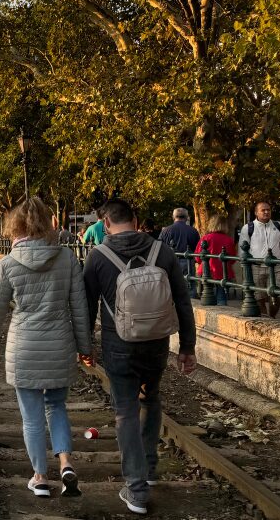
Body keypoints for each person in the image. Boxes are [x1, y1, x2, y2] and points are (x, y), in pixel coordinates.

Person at [83, 199, 196, 515]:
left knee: (126, 412)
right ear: (135, 219)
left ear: (105, 224)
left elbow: (86, 309)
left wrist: (84, 346)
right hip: (156, 344)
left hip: (118, 345)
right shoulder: (163, 252)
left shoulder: (97, 258)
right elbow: (183, 302)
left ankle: (136, 490)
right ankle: (149, 471)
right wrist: (187, 347)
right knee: (151, 400)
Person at [0, 197, 92, 499]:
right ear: (48, 223)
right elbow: (79, 308)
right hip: (59, 346)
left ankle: (40, 477)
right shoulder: (67, 259)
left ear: (14, 226)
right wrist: (85, 347)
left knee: (31, 417)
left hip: (24, 348)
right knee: (56, 406)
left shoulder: (7, 264)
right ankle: (66, 462)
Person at [239, 201, 280, 318]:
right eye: (263, 210)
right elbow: (242, 250)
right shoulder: (248, 228)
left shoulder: (278, 226)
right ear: (256, 212)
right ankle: (265, 318)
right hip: (255, 267)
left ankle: (272, 317)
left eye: (268, 209)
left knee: (277, 296)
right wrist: (245, 269)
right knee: (259, 297)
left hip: (275, 267)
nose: (266, 212)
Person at [194, 217, 236, 306]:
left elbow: (197, 257)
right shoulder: (228, 239)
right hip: (223, 271)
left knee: (207, 296)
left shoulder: (206, 238)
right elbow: (232, 259)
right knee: (222, 297)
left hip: (207, 271)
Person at [159, 208, 201, 298]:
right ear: (186, 218)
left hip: (170, 262)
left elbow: (160, 248)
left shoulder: (165, 231)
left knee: (172, 285)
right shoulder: (193, 231)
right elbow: (198, 248)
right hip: (188, 262)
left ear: (174, 217)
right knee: (190, 286)